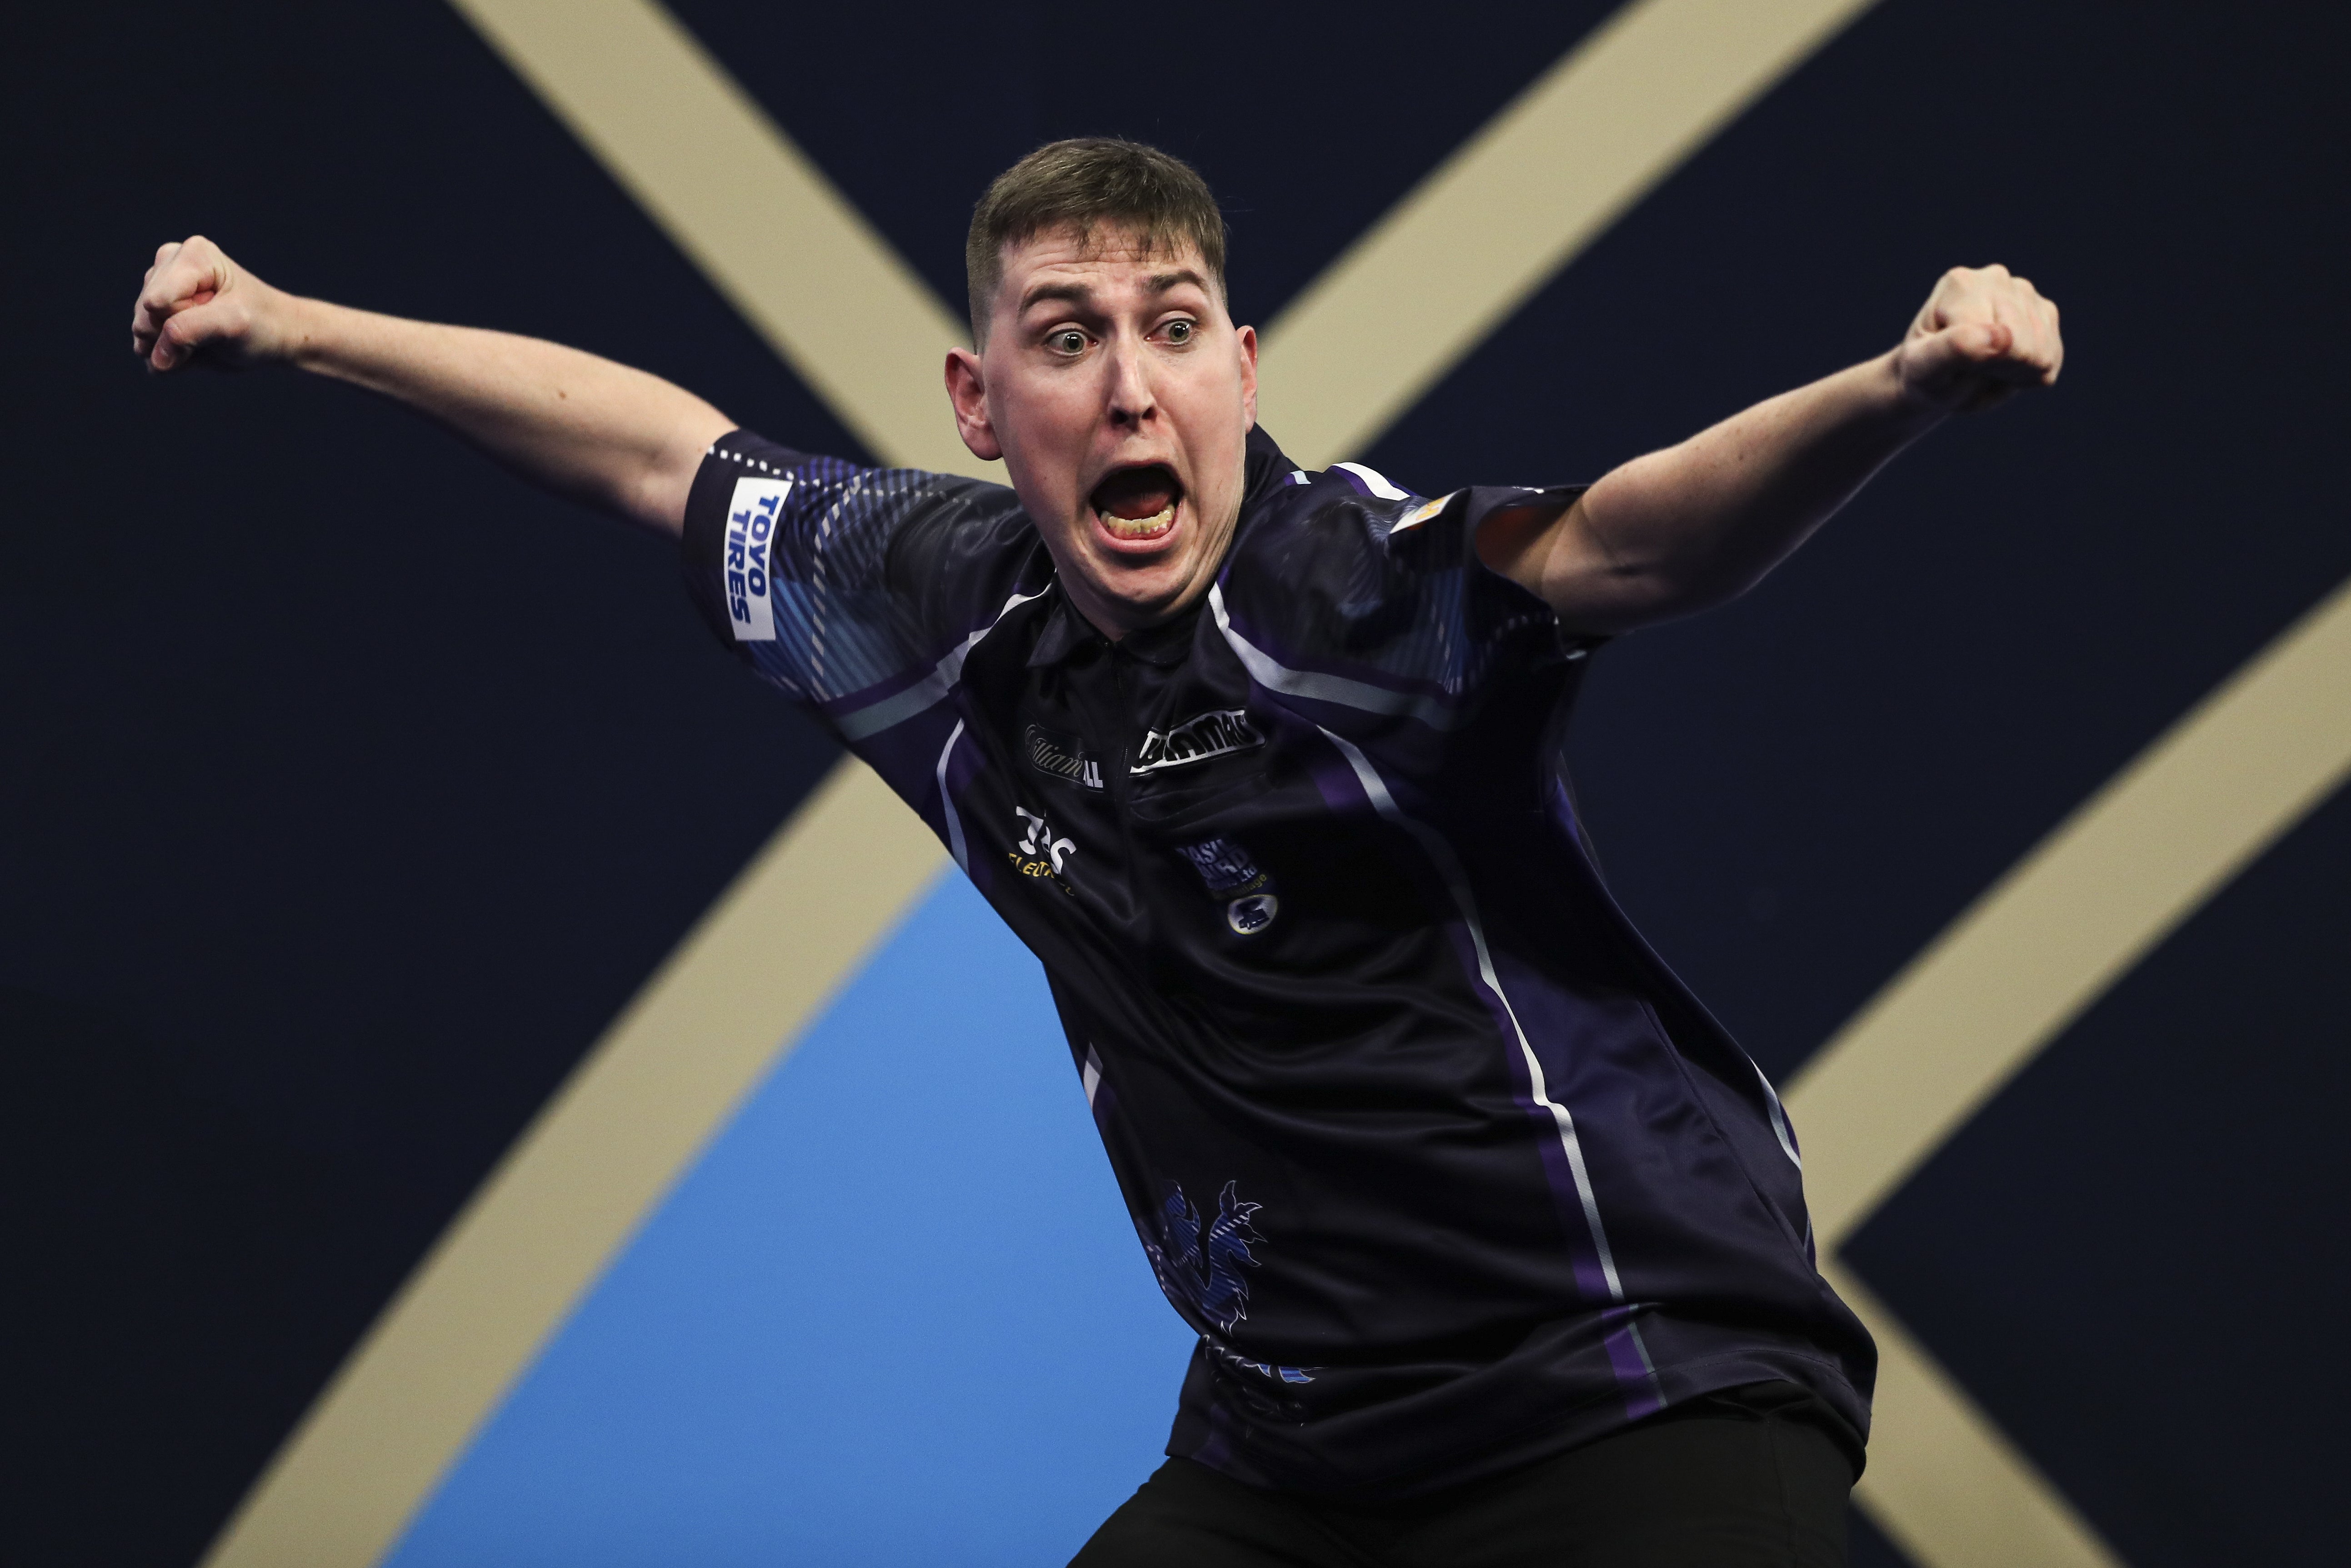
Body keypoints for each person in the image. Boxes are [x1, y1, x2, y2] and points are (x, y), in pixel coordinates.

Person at [131, 138, 2061, 1566]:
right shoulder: (938, 609)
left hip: (1631, 1391)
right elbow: (659, 454)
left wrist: (1899, 393)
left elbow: (1639, 544)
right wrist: (296, 329)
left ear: (1242, 365)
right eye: (1066, 339)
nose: (1130, 384)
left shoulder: (1344, 596)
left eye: (1171, 330)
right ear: (984, 408)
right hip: (1299, 1446)